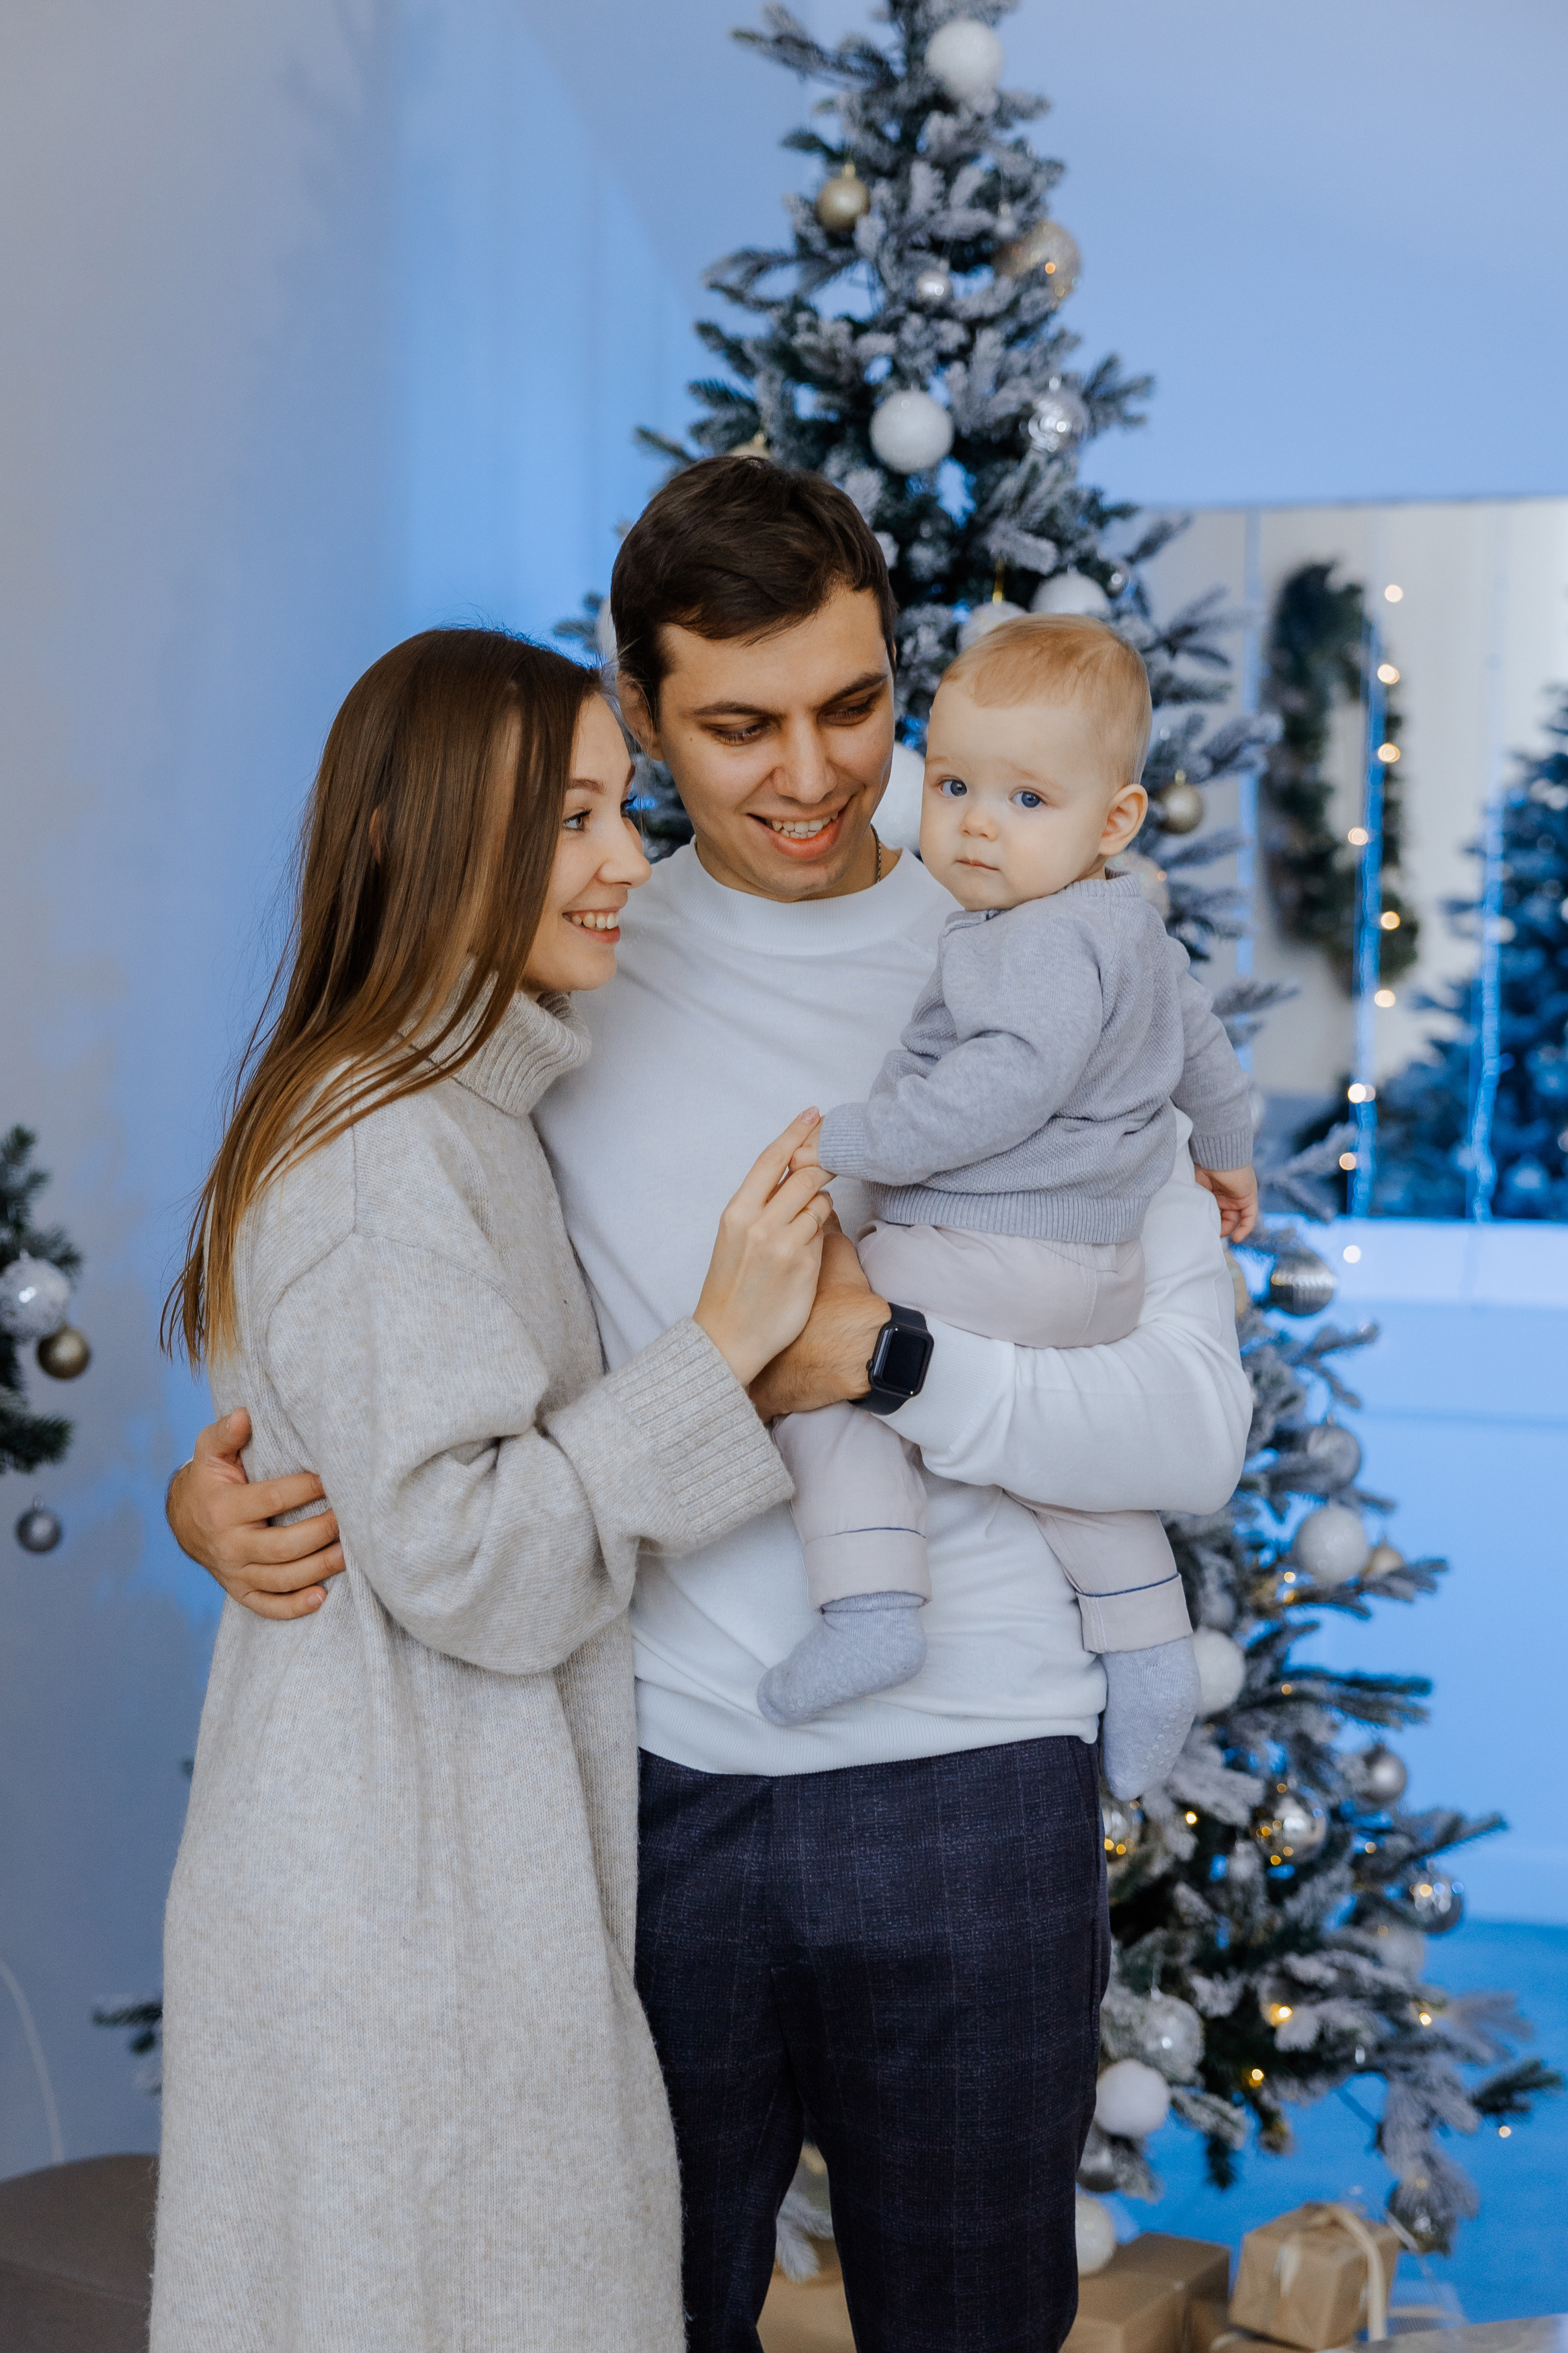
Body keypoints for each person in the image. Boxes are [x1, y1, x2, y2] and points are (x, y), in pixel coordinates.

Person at [167, 460, 1253, 2353]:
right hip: (646, 1789)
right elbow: (393, 1281)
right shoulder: (567, 957)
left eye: (850, 708)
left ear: (899, 677)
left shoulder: (1045, 935)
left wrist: (887, 1363)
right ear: (640, 713)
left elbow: (1187, 1428)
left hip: (977, 1772)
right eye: (737, 727)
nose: (812, 775)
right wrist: (240, 1488)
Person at [151, 627, 832, 2353]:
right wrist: (725, 1350)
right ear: (415, 839)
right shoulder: (392, 1145)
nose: (626, 860)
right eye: (575, 818)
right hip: (409, 1913)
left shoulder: (461, 1105)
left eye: (622, 804)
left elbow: (373, 1471)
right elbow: (468, 1556)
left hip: (436, 1878)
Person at [757, 612, 1257, 1802]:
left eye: (1027, 800)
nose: (977, 821)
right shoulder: (1135, 928)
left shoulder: (1025, 943)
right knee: (1074, 1480)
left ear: (1114, 819)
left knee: (829, 1372)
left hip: (990, 1246)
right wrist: (1228, 1156)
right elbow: (1210, 1062)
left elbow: (996, 1091)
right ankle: (1147, 1657)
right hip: (1096, 1272)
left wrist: (847, 1140)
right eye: (953, 785)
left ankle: (872, 1600)